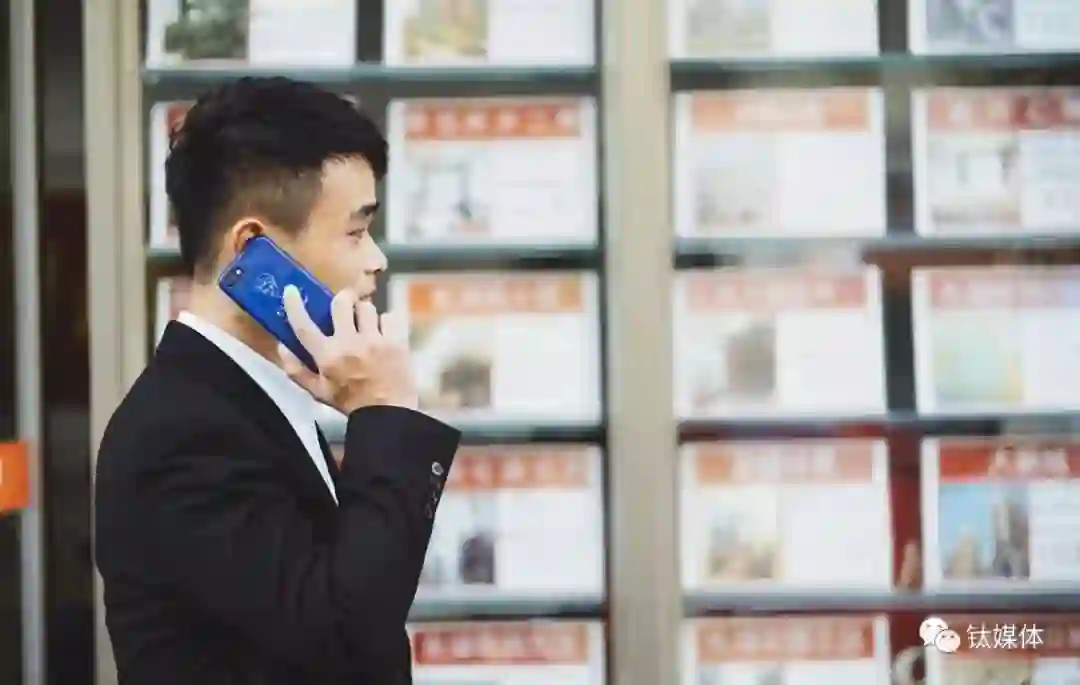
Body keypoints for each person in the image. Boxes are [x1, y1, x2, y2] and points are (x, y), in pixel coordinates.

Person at [94, 77, 461, 684]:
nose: (376, 260)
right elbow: (343, 633)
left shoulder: (246, 395)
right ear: (253, 248)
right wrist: (387, 413)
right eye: (355, 231)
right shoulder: (182, 433)